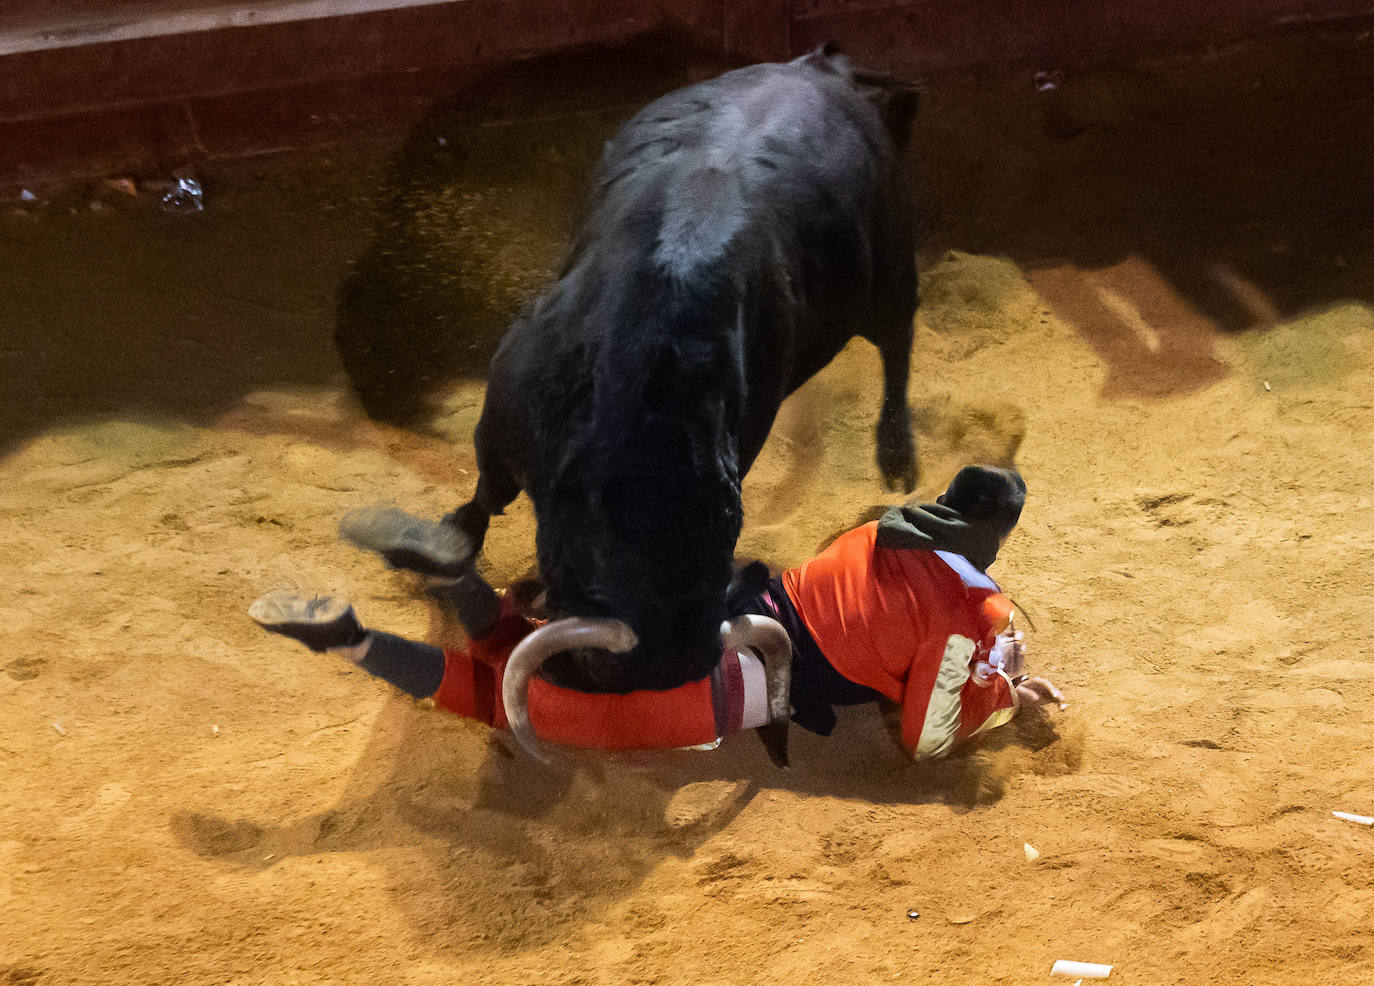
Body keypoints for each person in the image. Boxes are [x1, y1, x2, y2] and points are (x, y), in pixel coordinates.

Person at [249, 464, 1062, 761]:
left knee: (519, 643)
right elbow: (925, 737)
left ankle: (459, 581)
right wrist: (997, 692)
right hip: (716, 686)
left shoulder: (883, 530)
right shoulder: (972, 612)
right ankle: (351, 640)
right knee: (499, 696)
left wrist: (992, 665)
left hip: (731, 601)